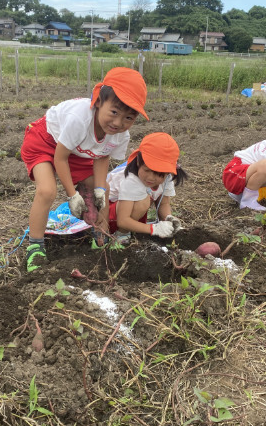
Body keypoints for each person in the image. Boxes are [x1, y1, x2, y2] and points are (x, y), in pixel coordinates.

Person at [20, 67, 148, 272]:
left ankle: (100, 239)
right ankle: (36, 246)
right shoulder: (80, 118)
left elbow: (102, 156)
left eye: (128, 118)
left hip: (78, 151)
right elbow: (60, 158)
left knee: (103, 191)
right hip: (45, 141)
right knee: (47, 191)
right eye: (114, 112)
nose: (118, 122)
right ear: (98, 101)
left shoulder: (121, 136)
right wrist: (72, 195)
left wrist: (99, 190)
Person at [106, 132, 188, 243]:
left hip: (131, 216)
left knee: (145, 199)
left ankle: (130, 230)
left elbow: (163, 204)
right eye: (147, 170)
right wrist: (154, 229)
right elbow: (122, 220)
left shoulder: (167, 178)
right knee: (143, 201)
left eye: (159, 174)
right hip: (110, 218)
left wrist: (168, 218)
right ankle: (120, 234)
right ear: (139, 161)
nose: (151, 178)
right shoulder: (132, 180)